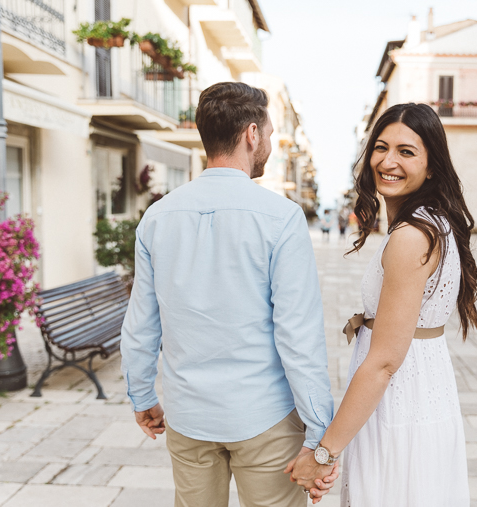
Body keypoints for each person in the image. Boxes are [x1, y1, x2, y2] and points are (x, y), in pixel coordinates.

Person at [120, 82, 337, 507]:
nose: (270, 144)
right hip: (265, 418)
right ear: (251, 134)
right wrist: (319, 431)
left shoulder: (157, 217)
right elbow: (299, 336)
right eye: (270, 135)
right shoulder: (281, 218)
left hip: (188, 415)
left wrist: (142, 395)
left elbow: (141, 322)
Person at [286, 103, 477, 506]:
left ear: (432, 165)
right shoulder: (433, 222)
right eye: (380, 147)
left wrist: (323, 454)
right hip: (422, 394)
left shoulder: (411, 236)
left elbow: (385, 362)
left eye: (406, 152)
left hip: (400, 404)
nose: (387, 161)